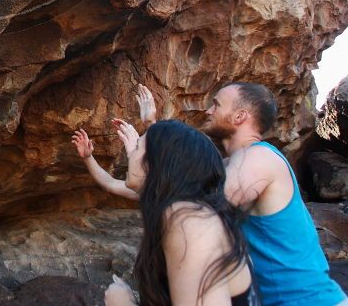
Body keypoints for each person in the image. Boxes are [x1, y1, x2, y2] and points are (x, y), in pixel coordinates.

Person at [74, 83, 348, 306]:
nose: (208, 110)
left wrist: (152, 135)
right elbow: (167, 188)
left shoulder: (260, 159)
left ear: (240, 116)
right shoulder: (227, 167)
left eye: (216, 104)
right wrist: (145, 138)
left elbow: (193, 200)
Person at [73, 120, 259, 305]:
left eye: (136, 148)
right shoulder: (191, 211)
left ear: (157, 162)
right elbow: (110, 183)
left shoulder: (191, 223)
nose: (130, 154)